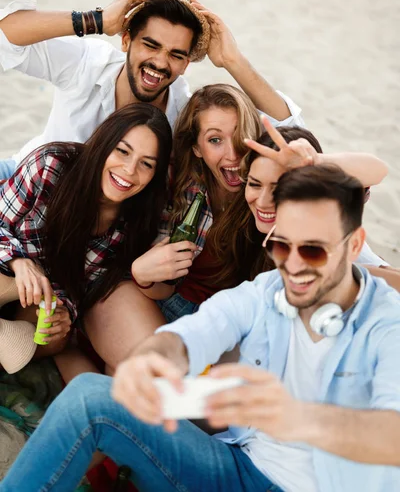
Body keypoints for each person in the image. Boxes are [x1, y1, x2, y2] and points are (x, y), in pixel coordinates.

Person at [3, 164, 400, 492]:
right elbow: (199, 332)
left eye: (312, 249)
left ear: (353, 245)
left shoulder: (385, 323)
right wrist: (152, 363)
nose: (293, 266)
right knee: (92, 396)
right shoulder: (268, 290)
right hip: (235, 466)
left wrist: (294, 417)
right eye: (281, 246)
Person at [84, 90, 387, 372]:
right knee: (109, 307)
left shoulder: (272, 182)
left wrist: (314, 162)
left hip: (232, 325)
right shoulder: (181, 188)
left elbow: (374, 171)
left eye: (240, 138)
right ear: (196, 148)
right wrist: (144, 275)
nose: (232, 154)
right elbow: (164, 284)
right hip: (171, 304)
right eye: (215, 140)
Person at [0, 0, 302, 180]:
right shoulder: (86, 64)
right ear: (127, 40)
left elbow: (292, 133)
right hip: (23, 176)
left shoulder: (184, 112)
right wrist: (98, 20)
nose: (159, 62)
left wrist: (234, 62)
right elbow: (6, 36)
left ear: (186, 64)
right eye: (151, 45)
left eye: (175, 54)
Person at [0, 103, 174, 374]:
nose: (129, 170)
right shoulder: (51, 165)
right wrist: (18, 262)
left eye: (146, 164)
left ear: (155, 173)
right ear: (104, 143)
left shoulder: (146, 218)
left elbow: (85, 288)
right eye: (122, 151)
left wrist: (63, 313)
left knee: (53, 334)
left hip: (40, 299)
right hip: (6, 270)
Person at [208, 117, 391, 287]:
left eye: (278, 188)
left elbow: (379, 170)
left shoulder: (328, 240)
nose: (263, 202)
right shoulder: (244, 226)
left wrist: (317, 162)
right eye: (255, 184)